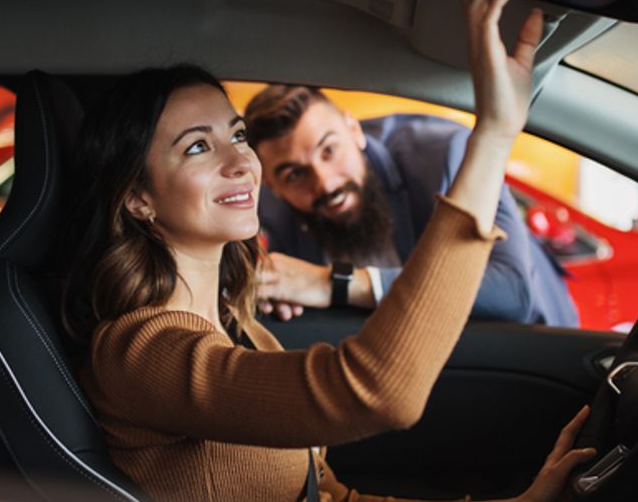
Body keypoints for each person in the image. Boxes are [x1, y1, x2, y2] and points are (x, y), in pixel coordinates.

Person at [58, 0, 594, 502]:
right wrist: (493, 134)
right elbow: (380, 393)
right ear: (139, 200)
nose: (241, 161)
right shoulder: (138, 352)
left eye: (235, 135)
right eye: (197, 147)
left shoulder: (241, 330)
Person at [245, 88, 579, 327]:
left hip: (528, 355)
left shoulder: (446, 156)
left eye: (329, 150)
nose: (326, 184)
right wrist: (273, 294)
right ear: (272, 186)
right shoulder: (272, 211)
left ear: (354, 130)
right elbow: (289, 293)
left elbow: (511, 293)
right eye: (294, 174)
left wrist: (333, 283)